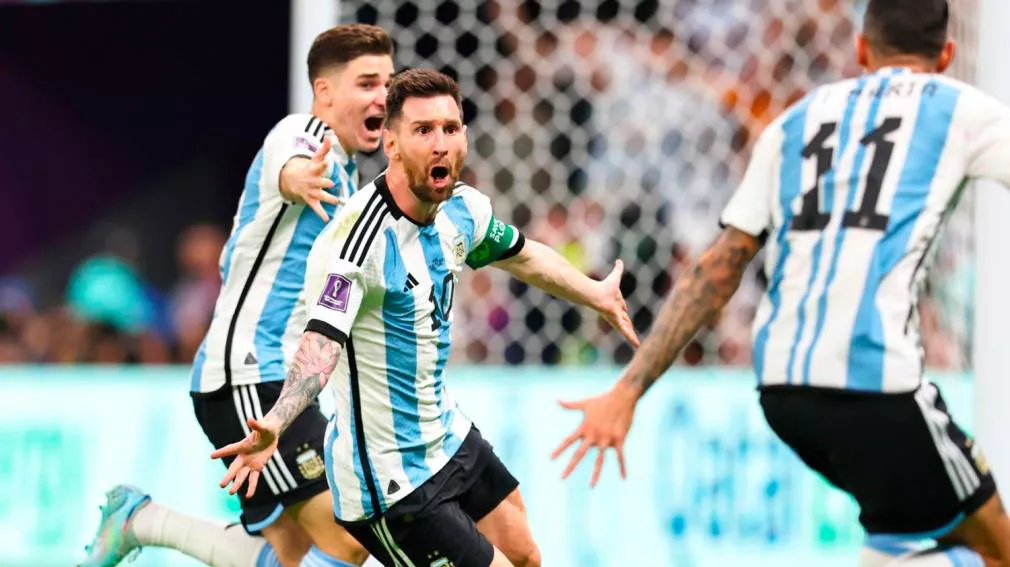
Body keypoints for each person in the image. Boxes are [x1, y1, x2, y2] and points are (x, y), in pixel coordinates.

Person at [553, 1, 1010, 566]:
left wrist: (627, 391)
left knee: (898, 530)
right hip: (877, 384)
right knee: (996, 550)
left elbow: (718, 268)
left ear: (861, 49)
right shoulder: (961, 108)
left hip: (782, 390)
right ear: (947, 54)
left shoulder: (795, 120)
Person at [211, 68, 638, 567]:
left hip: (447, 436)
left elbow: (522, 256)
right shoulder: (358, 244)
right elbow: (322, 343)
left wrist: (595, 293)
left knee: (525, 555)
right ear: (391, 144)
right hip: (390, 480)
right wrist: (278, 422)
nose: (441, 144)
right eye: (423, 130)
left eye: (450, 128)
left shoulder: (462, 209)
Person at [80, 23, 395, 567]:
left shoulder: (347, 179)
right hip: (251, 375)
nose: (383, 97)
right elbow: (291, 166)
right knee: (349, 540)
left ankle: (140, 520)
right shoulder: (302, 133)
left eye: (388, 83)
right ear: (324, 92)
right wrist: (300, 177)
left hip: (274, 381)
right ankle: (141, 521)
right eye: (367, 83)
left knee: (292, 553)